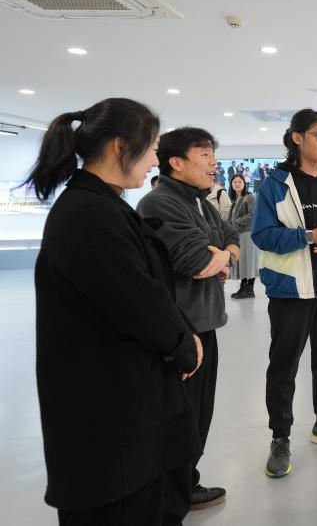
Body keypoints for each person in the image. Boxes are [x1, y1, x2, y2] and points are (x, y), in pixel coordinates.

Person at [29, 98, 203, 525]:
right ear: (120, 146)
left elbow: (148, 289)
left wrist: (183, 336)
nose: (155, 160)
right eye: (152, 149)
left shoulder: (100, 205)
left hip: (123, 408)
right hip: (110, 421)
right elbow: (138, 302)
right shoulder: (91, 216)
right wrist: (184, 347)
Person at [251, 109, 317, 478]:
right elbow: (263, 235)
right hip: (290, 289)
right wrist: (310, 236)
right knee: (284, 366)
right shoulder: (275, 184)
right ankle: (280, 437)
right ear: (296, 138)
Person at [137, 127, 240, 511]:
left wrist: (224, 255)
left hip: (206, 323)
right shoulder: (160, 203)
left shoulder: (202, 202)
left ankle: (186, 484)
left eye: (213, 154)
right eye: (205, 154)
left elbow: (231, 236)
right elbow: (196, 262)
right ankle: (170, 497)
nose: (214, 162)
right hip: (180, 331)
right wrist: (221, 258)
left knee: (199, 415)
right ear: (176, 162)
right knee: (179, 418)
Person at [228, 173, 258, 299]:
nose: (237, 184)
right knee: (243, 261)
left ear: (244, 184)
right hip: (239, 234)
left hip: (248, 233)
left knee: (249, 261)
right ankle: (243, 287)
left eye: (240, 182)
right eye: (235, 182)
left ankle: (250, 289)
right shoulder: (235, 199)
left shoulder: (249, 197)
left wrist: (236, 222)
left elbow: (252, 215)